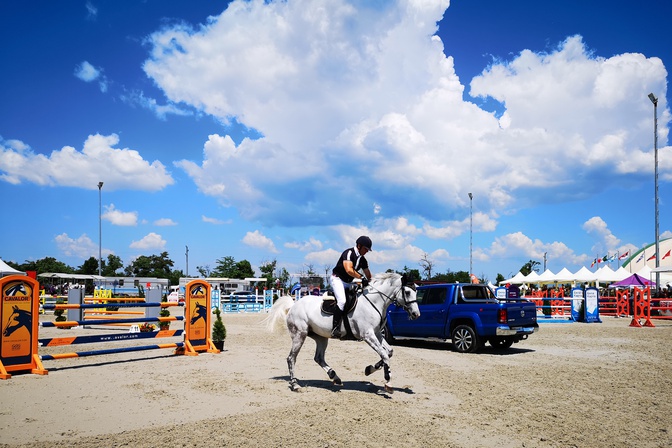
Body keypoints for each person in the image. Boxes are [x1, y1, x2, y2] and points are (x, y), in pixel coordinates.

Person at [330, 235, 373, 338]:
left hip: (349, 281)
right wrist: (361, 278)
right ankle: (335, 328)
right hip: (338, 279)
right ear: (359, 246)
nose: (366, 251)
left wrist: (371, 282)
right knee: (342, 301)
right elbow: (349, 270)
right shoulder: (349, 253)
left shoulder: (363, 259)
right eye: (365, 249)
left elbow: (368, 274)